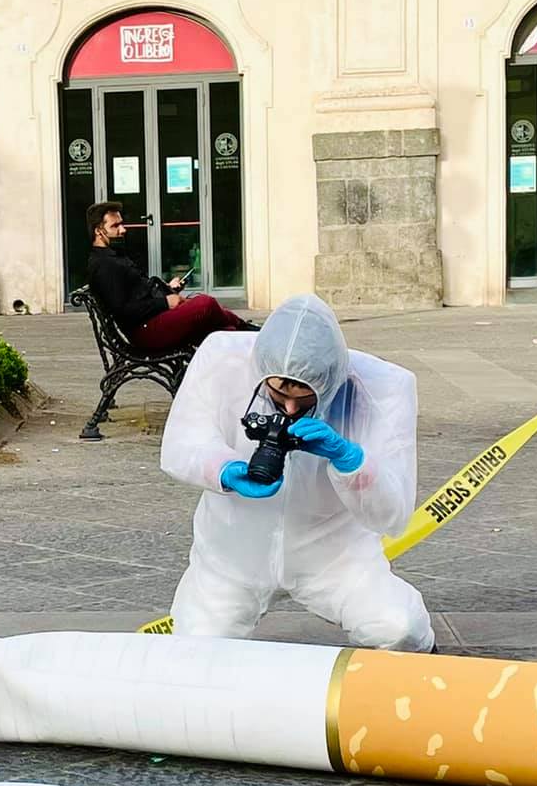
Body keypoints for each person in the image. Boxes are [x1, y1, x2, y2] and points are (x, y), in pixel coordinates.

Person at [160, 292, 435, 651]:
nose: (289, 409)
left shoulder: (382, 388)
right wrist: (223, 469)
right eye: (277, 395)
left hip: (336, 555)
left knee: (400, 628)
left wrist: (352, 462)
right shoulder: (223, 359)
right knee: (195, 651)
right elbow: (183, 441)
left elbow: (393, 515)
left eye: (304, 399)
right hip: (232, 553)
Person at [84, 201, 250, 354]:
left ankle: (244, 334)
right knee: (205, 304)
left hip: (153, 320)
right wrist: (165, 302)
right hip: (146, 331)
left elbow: (139, 290)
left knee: (218, 325)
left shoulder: (114, 256)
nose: (123, 230)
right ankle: (248, 331)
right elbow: (123, 311)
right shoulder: (104, 265)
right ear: (98, 231)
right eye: (115, 226)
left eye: (122, 224)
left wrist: (168, 289)